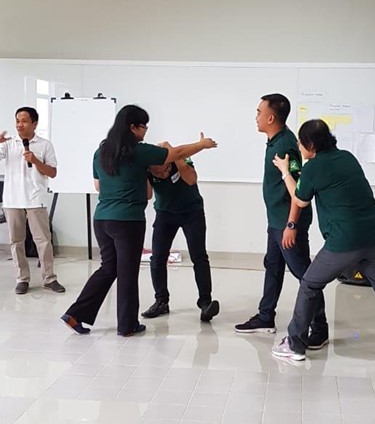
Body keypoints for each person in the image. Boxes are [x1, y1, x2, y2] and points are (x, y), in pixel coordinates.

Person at [272, 118, 375, 382]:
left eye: (301, 144)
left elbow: (299, 200)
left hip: (344, 242)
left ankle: (295, 344)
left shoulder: (314, 167)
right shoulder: (347, 157)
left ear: (310, 145)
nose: (300, 148)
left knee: (310, 284)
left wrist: (285, 171)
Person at [61, 105, 217, 337]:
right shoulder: (137, 150)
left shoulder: (101, 150)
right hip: (127, 221)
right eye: (144, 127)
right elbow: (174, 153)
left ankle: (75, 314)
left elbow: (98, 185)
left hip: (102, 218)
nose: (145, 132)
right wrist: (202, 145)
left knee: (108, 268)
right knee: (127, 272)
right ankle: (127, 325)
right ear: (133, 127)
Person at [234, 94, 329, 346]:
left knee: (305, 275)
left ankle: (320, 327)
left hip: (288, 224)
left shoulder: (286, 145)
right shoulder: (274, 141)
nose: (256, 116)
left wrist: (291, 225)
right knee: (273, 267)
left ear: (271, 117)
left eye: (258, 112)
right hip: (276, 221)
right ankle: (266, 317)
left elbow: (298, 190)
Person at [142, 156, 219, 323]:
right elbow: (147, 195)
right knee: (157, 259)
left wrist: (175, 158)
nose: (163, 174)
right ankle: (161, 301)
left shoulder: (180, 159)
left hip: (192, 212)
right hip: (165, 214)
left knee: (199, 257)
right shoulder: (147, 169)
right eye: (158, 173)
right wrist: (142, 172)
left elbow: (191, 180)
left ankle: (205, 302)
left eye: (167, 170)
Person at [0, 107, 65, 294]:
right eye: (17, 121)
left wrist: (35, 161)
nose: (20, 125)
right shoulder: (8, 143)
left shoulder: (45, 144)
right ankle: (22, 279)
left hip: (36, 198)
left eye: (24, 121)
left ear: (35, 124)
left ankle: (49, 278)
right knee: (16, 241)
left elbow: (52, 172)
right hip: (13, 199)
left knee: (43, 241)